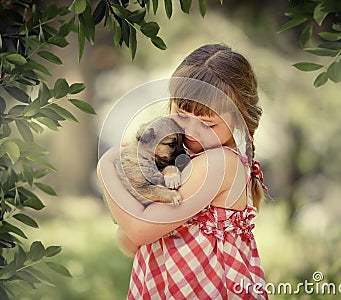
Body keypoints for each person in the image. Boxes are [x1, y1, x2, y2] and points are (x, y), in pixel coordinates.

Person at [97, 44, 270, 299]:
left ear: (239, 119)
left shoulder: (219, 163)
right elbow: (129, 242)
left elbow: (138, 231)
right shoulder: (187, 162)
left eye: (207, 123)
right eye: (182, 114)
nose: (190, 131)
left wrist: (107, 166)